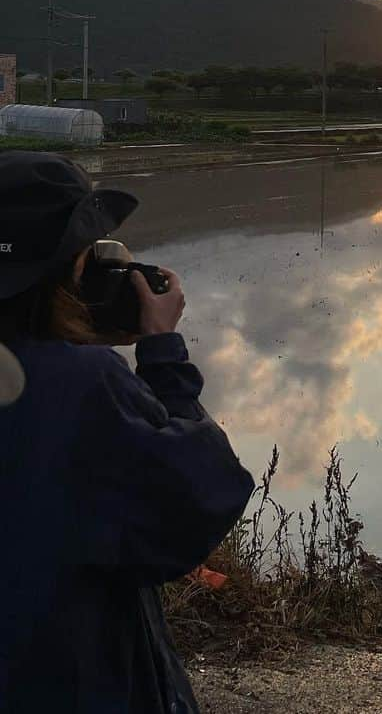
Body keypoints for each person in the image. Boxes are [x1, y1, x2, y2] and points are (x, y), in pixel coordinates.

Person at [0, 151, 255, 713]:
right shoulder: (85, 385)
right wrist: (162, 354)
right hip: (70, 677)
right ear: (72, 270)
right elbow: (202, 494)